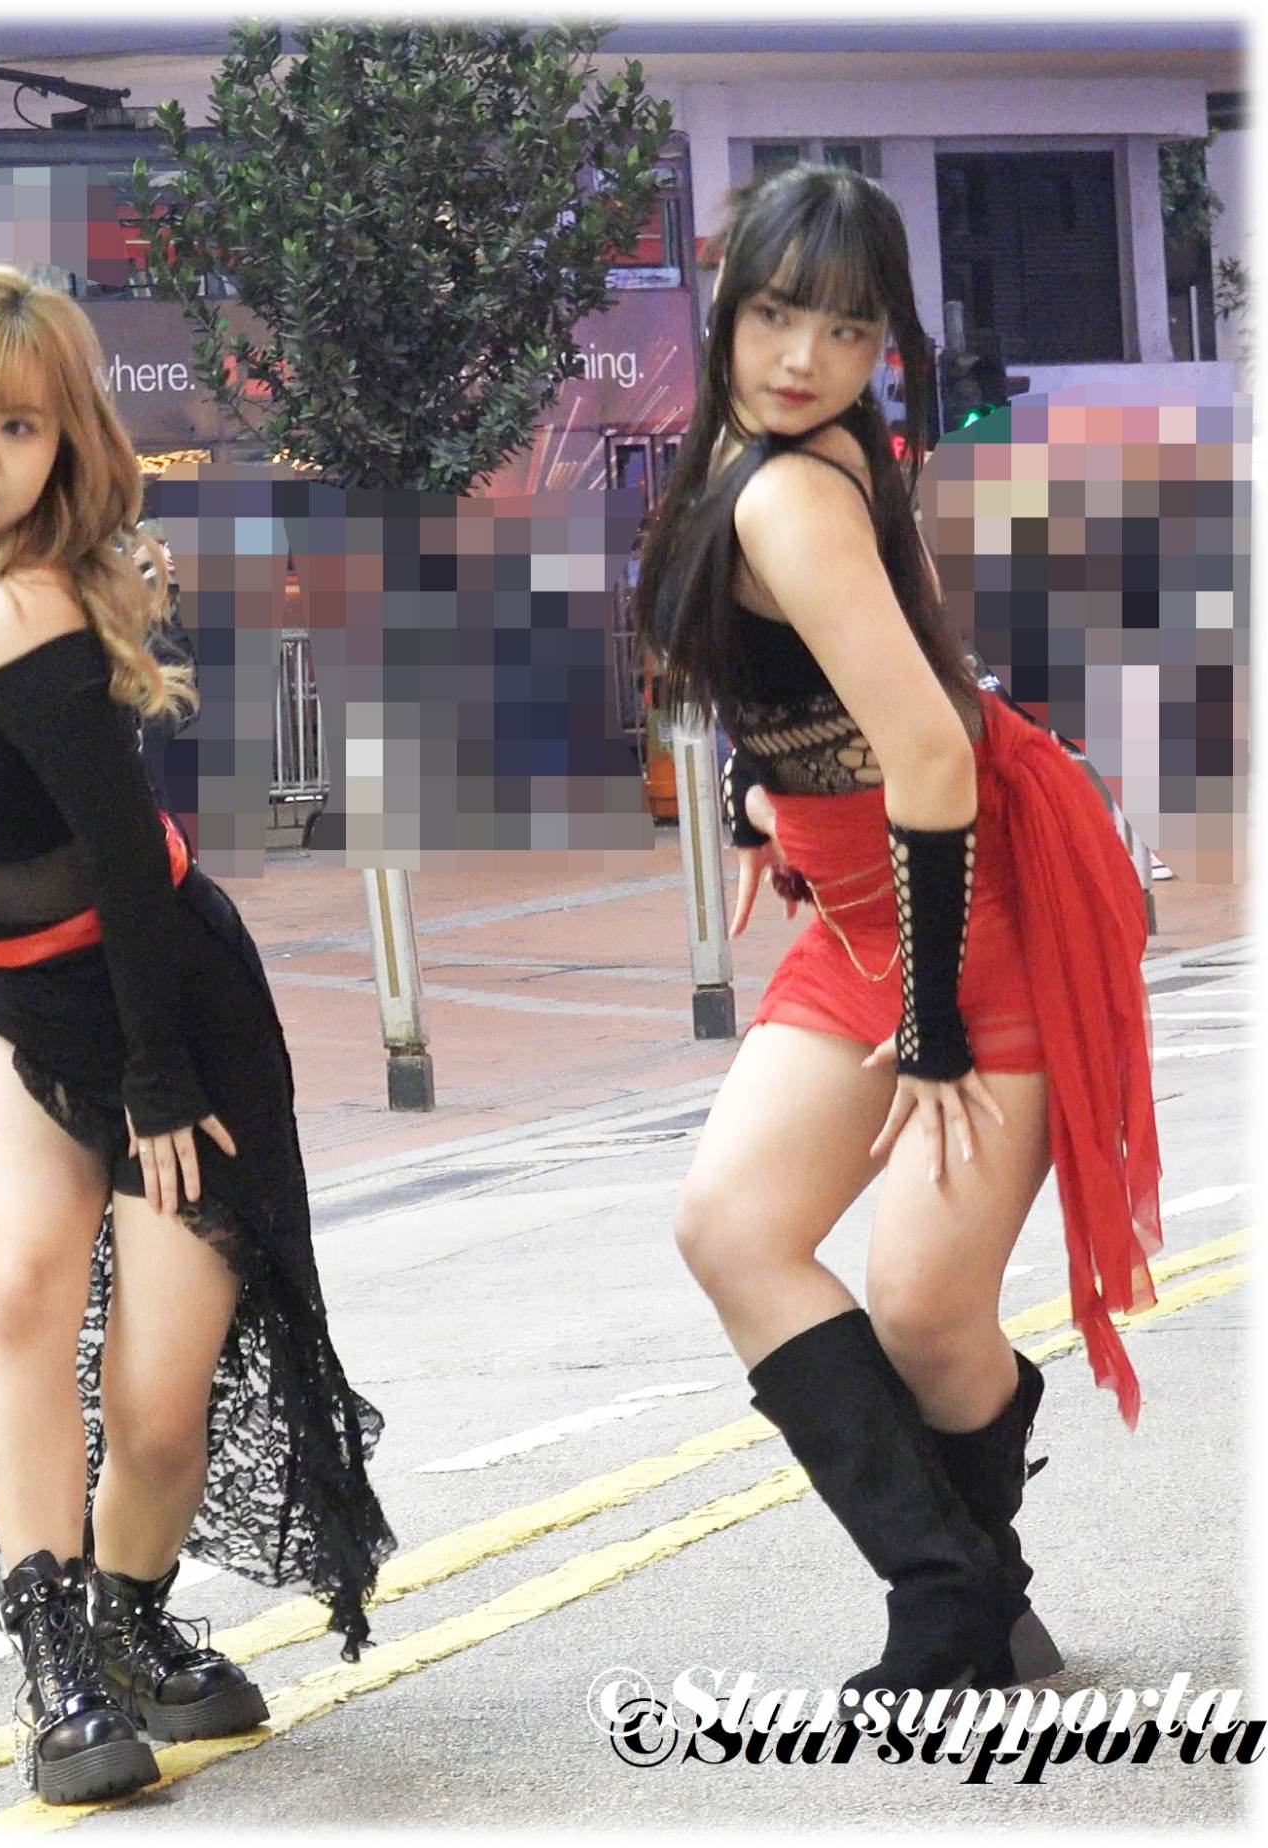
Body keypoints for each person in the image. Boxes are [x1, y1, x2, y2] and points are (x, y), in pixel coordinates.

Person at [0, 264, 392, 1805]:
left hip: (165, 1012)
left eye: (20, 427)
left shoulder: (26, 607)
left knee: (157, 1412)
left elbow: (125, 858)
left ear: (65, 447)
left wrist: (156, 1083)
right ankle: (59, 1668)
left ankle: (128, 1617)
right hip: (11, 1008)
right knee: (19, 1302)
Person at [634, 164, 1160, 1704]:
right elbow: (803, 671)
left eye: (850, 331)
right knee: (733, 1226)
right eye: (778, 315)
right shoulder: (757, 453)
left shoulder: (795, 481)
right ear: (728, 307)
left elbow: (929, 749)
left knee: (930, 1313)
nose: (806, 358)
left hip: (966, 909)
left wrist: (933, 1022)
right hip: (865, 914)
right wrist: (757, 794)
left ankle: (966, 1609)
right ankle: (961, 1599)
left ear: (886, 345)